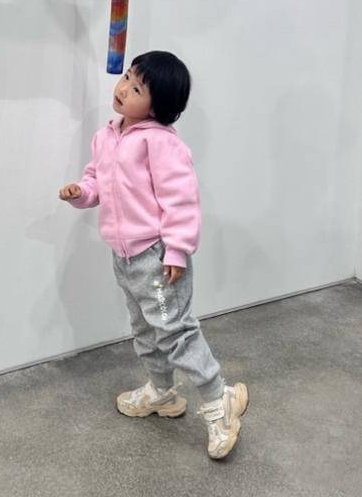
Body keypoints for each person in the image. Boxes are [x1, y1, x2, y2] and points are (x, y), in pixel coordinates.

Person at [59, 50, 249, 459]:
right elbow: (97, 181)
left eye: (137, 88)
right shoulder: (106, 136)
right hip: (124, 257)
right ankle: (162, 392)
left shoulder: (161, 143)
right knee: (145, 330)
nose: (124, 88)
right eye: (127, 78)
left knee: (174, 331)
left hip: (157, 258)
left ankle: (219, 399)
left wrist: (177, 250)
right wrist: (81, 193)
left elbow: (180, 199)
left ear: (157, 106)